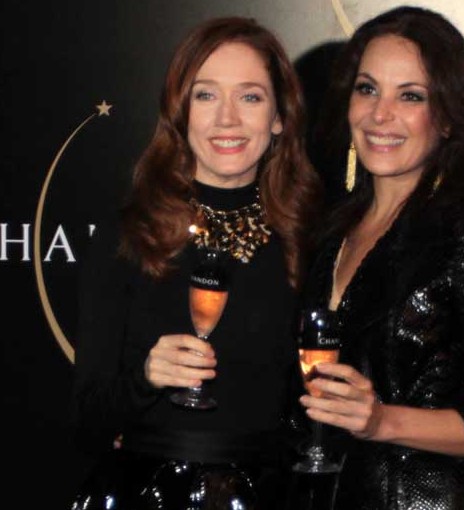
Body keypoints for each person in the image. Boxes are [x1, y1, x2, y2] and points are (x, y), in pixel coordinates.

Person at [300, 5, 464, 510]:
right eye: (367, 89)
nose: (380, 114)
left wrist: (382, 421)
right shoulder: (333, 229)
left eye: (411, 96)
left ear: (450, 119)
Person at [70, 16, 321, 510]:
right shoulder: (130, 234)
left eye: (250, 97)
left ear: (279, 117)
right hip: (144, 495)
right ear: (181, 111)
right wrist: (146, 376)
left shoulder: (308, 238)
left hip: (269, 496)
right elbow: (87, 422)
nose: (227, 119)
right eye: (206, 95)